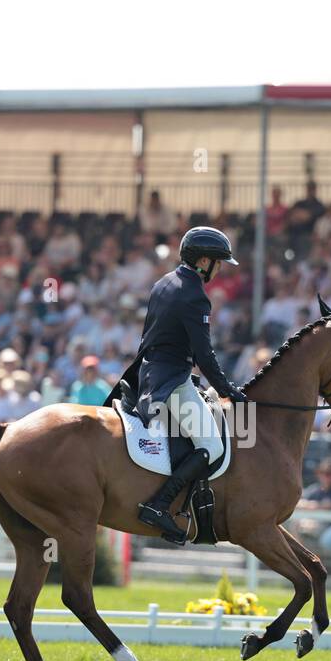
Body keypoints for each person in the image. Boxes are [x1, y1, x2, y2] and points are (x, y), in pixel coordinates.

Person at [120, 227, 247, 544]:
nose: (219, 270)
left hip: (146, 372)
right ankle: (159, 505)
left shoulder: (164, 282)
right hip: (172, 381)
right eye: (218, 263)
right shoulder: (195, 297)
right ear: (204, 261)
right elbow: (204, 355)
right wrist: (229, 390)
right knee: (212, 446)